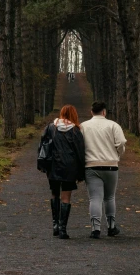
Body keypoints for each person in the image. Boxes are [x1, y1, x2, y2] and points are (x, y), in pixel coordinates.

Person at [81, 101, 126, 238]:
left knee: (95, 198)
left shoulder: (84, 126)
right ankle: (111, 226)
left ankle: (95, 229)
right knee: (110, 197)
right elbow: (121, 142)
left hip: (91, 165)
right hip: (111, 165)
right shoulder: (113, 125)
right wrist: (118, 154)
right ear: (104, 112)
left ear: (91, 112)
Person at [40, 104, 85, 239]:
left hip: (53, 166)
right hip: (69, 167)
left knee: (55, 193)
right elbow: (80, 152)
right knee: (66, 197)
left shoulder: (51, 127)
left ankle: (55, 225)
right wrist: (81, 171)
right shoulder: (76, 131)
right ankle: (62, 228)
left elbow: (43, 144)